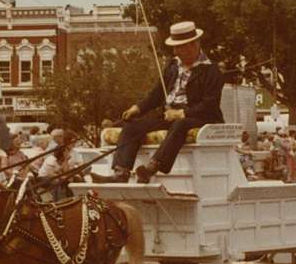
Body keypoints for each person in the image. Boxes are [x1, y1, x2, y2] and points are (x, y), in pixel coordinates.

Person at [92, 20, 224, 183]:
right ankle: (121, 172)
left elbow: (209, 104)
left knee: (180, 124)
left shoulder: (212, 70)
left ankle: (153, 167)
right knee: (132, 126)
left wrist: (182, 113)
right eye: (174, 47)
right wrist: (138, 108)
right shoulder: (173, 66)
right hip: (170, 115)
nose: (175, 51)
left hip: (200, 117)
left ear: (193, 45)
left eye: (179, 47)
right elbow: (157, 94)